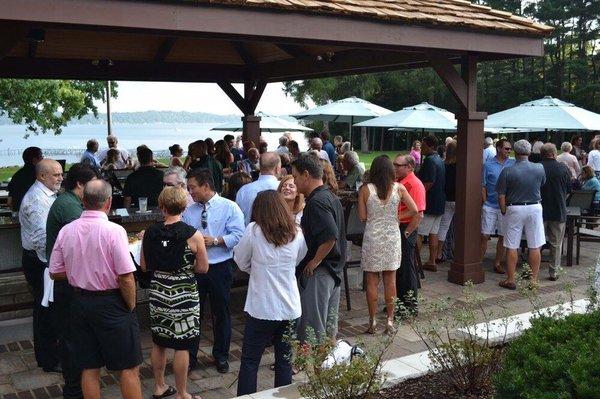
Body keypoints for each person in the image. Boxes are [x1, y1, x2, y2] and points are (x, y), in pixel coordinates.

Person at [48, 180, 142, 399]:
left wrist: (80, 273)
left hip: (79, 303)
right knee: (128, 367)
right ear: (109, 202)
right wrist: (130, 305)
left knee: (89, 367)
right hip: (111, 302)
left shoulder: (66, 230)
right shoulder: (114, 230)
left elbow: (54, 271)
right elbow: (126, 276)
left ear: (83, 200)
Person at [234, 191, 307, 396]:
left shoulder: (254, 231)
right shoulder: (296, 232)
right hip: (290, 306)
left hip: (261, 306)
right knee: (284, 360)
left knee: (250, 361)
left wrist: (255, 270)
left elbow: (240, 259)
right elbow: (298, 259)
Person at [140, 187, 209, 399]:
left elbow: (144, 266)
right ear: (184, 205)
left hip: (159, 292)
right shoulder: (193, 235)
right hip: (185, 294)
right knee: (183, 345)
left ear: (161, 206)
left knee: (159, 342)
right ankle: (182, 393)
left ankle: (159, 386)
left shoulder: (150, 232)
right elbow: (203, 268)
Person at [182, 168, 244, 373]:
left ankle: (221, 356)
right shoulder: (189, 211)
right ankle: (190, 357)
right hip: (196, 268)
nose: (190, 192)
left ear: (206, 186)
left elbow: (239, 234)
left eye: (192, 188)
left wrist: (216, 240)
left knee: (221, 313)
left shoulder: (229, 207)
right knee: (193, 313)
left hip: (220, 267)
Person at [45, 163, 97, 398]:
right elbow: (88, 239)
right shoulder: (69, 207)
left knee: (74, 336)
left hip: (69, 277)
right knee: (72, 337)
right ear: (80, 184)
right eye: (92, 184)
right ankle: (74, 389)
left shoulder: (70, 202)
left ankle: (76, 385)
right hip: (67, 281)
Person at [358, 155, 417, 334]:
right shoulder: (399, 188)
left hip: (373, 238)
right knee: (390, 281)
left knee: (371, 282)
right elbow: (415, 209)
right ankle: (390, 321)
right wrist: (397, 215)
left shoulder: (365, 190)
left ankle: (373, 321)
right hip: (392, 237)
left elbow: (362, 217)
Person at [292, 155, 345, 342]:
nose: (295, 182)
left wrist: (315, 261)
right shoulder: (330, 196)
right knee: (329, 329)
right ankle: (328, 366)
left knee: (314, 331)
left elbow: (330, 236)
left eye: (296, 177)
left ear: (306, 175)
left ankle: (315, 367)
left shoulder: (316, 202)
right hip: (333, 271)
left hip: (321, 273)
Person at [19, 158, 63, 373]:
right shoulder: (37, 200)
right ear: (41, 176)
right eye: (56, 175)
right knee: (45, 310)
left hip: (45, 260)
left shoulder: (48, 195)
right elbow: (41, 239)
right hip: (40, 261)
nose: (60, 178)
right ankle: (49, 360)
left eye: (61, 173)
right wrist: (55, 265)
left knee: (50, 309)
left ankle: (53, 355)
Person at [497, 139, 546, 290]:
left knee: (512, 244)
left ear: (514, 153)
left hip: (515, 208)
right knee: (535, 244)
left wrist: (504, 209)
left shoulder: (507, 170)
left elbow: (501, 194)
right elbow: (542, 183)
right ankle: (533, 281)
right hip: (534, 206)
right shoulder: (539, 168)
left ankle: (511, 279)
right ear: (530, 152)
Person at [393, 154, 425, 314]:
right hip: (401, 228)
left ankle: (410, 306)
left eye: (398, 165)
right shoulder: (401, 182)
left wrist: (407, 232)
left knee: (407, 268)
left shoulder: (414, 184)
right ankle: (400, 302)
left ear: (409, 167)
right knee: (399, 268)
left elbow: (419, 213)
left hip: (406, 229)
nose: (395, 168)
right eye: (394, 165)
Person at [480, 138, 515, 274]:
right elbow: (483, 185)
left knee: (502, 235)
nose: (509, 151)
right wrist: (485, 200)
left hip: (505, 206)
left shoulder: (512, 164)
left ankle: (498, 263)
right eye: (506, 148)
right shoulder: (488, 164)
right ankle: (479, 261)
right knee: (484, 235)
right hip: (490, 204)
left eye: (510, 149)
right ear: (499, 148)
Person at [539, 143, 571, 281]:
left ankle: (531, 269)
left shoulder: (537, 167)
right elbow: (569, 190)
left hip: (539, 209)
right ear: (554, 153)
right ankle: (554, 271)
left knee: (536, 242)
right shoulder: (563, 168)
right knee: (556, 243)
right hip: (558, 209)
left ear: (542, 154)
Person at [417, 135, 445, 271]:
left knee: (419, 233)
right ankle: (432, 261)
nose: (421, 148)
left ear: (430, 146)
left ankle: (414, 261)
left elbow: (429, 182)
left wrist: (418, 196)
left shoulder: (429, 161)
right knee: (434, 233)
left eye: (423, 145)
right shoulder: (439, 159)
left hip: (429, 202)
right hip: (439, 202)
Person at [236, 152, 281, 225]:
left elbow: (237, 218)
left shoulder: (243, 190)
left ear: (260, 167)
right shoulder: (285, 189)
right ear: (278, 169)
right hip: (279, 234)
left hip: (248, 234)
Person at [437, 139, 457, 262]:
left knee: (443, 227)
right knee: (459, 228)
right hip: (459, 200)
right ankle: (457, 252)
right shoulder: (462, 167)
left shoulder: (444, 166)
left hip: (447, 199)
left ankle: (438, 253)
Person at [7, 146, 43, 212]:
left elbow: (9, 202)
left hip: (19, 213)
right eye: (41, 157)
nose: (43, 159)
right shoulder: (40, 176)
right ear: (35, 160)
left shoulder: (16, 175)